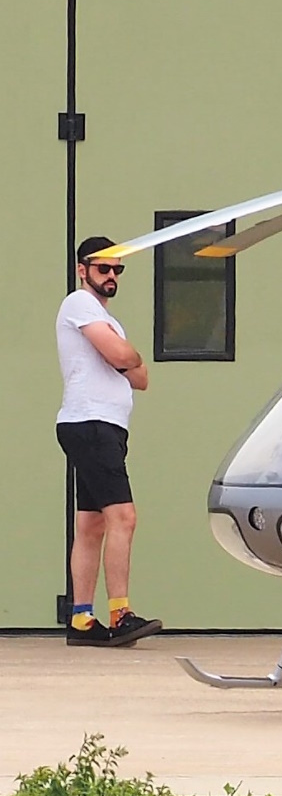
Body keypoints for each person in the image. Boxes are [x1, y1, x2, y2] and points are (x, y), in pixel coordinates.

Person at [55, 236, 163, 647]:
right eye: (103, 268)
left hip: (103, 426)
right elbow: (123, 360)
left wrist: (124, 355)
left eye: (118, 269)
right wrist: (123, 355)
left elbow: (141, 377)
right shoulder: (79, 303)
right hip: (92, 423)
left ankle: (82, 620)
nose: (112, 275)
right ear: (83, 270)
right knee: (124, 517)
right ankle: (120, 614)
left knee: (92, 522)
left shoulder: (104, 317)